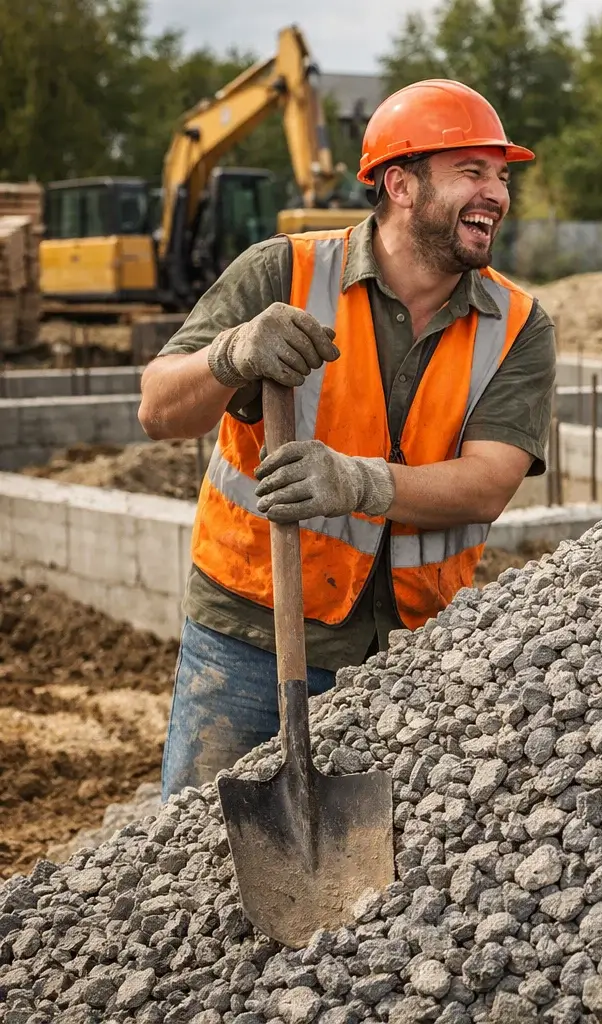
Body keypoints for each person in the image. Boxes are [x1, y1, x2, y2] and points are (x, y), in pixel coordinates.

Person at [139, 79, 557, 800]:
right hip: (252, 639)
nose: (496, 193)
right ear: (400, 183)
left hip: (412, 654)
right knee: (195, 859)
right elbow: (158, 409)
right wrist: (229, 353)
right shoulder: (286, 272)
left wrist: (360, 483)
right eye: (472, 172)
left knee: (383, 889)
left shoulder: (518, 324)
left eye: (501, 176)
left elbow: (489, 484)